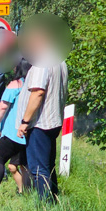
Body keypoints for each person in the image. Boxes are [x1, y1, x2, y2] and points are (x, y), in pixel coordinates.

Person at [16, 17, 70, 201]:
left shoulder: (41, 62)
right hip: (53, 121)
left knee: (39, 168)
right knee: (48, 165)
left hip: (40, 123)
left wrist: (24, 121)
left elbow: (37, 93)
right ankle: (53, 200)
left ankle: (45, 206)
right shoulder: (59, 60)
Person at [0, 59, 32, 194]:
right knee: (20, 165)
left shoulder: (16, 84)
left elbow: (3, 106)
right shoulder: (32, 85)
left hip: (12, 132)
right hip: (28, 133)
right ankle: (24, 192)